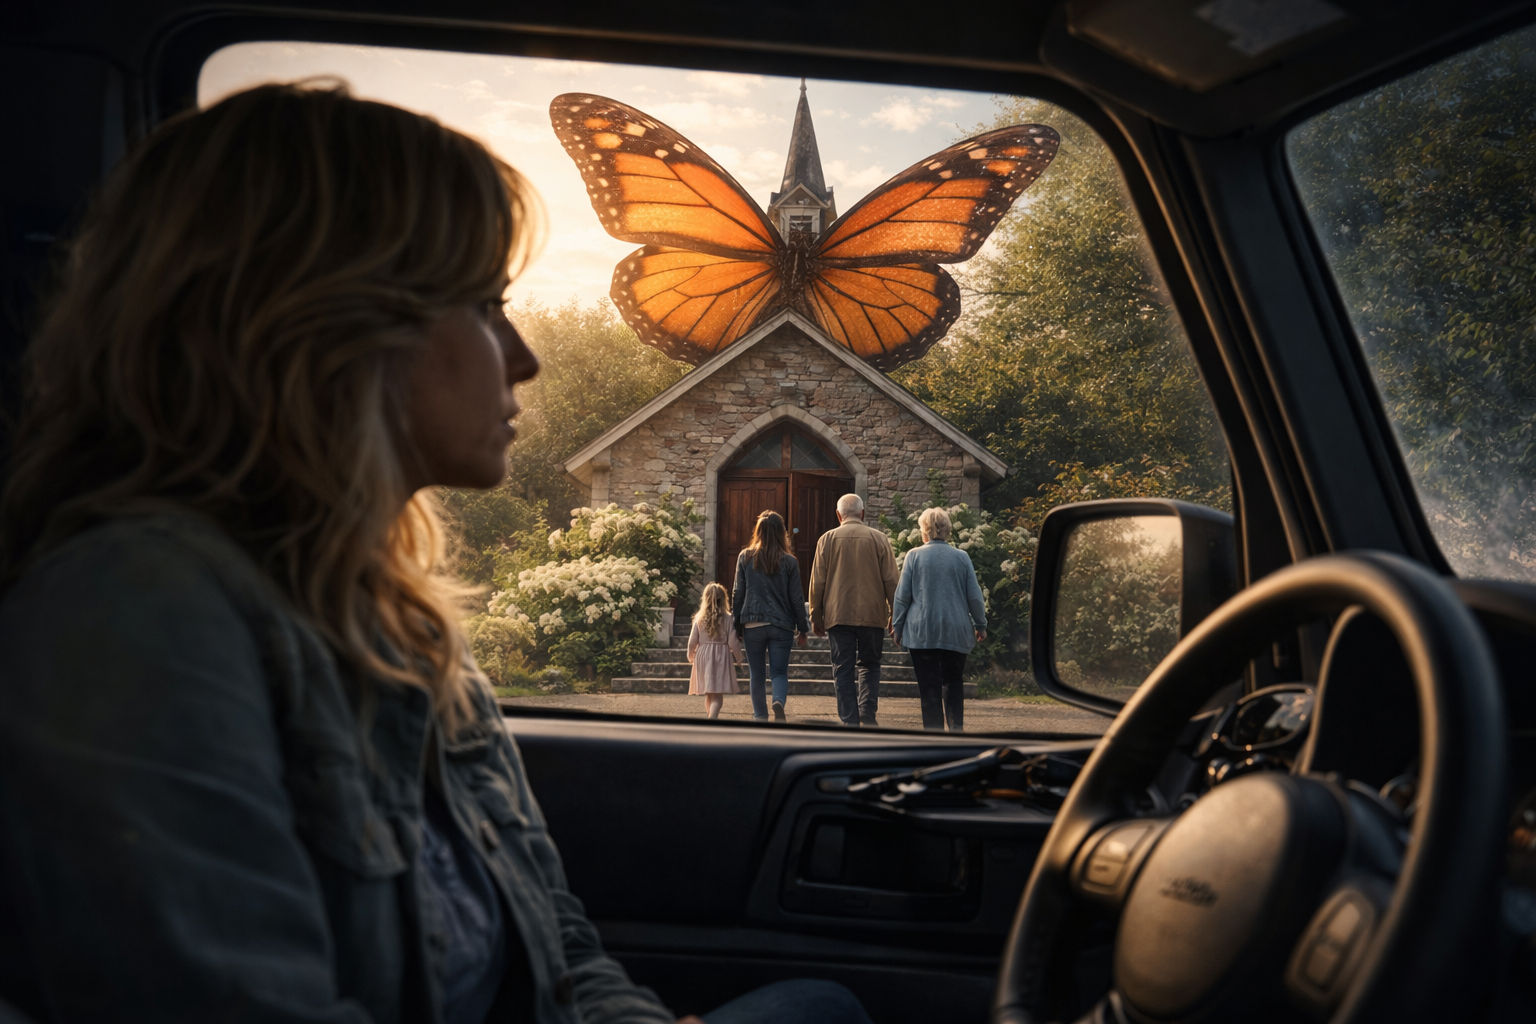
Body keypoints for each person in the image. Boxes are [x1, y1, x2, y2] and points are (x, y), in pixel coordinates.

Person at [0, 82, 872, 1024]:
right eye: (487, 305)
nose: (524, 356)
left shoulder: (394, 621)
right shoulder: (133, 617)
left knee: (822, 1003)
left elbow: (558, 942)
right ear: (330, 324)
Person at [890, 507, 988, 733]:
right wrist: (980, 624)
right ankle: (956, 730)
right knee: (953, 680)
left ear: (924, 531)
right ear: (948, 531)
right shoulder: (962, 557)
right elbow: (974, 595)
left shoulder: (914, 556)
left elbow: (902, 597)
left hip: (922, 631)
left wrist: (898, 627)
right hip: (956, 629)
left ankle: (933, 734)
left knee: (929, 686)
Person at [807, 494, 898, 728]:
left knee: (842, 669)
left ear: (839, 515)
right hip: (872, 615)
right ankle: (867, 713)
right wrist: (895, 614)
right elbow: (891, 581)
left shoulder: (826, 540)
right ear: (863, 514)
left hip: (838, 616)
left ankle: (849, 720)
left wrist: (816, 616)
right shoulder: (879, 539)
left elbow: (817, 582)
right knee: (870, 665)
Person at [730, 511, 810, 722]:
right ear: (781, 533)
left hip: (753, 624)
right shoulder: (790, 562)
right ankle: (778, 701)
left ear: (758, 531)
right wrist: (803, 628)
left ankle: (760, 717)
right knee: (779, 672)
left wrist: (737, 626)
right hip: (781, 625)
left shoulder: (745, 557)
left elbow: (738, 593)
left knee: (756, 674)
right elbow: (796, 598)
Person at [688, 582, 742, 719]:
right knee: (717, 692)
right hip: (720, 655)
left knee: (709, 692)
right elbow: (732, 641)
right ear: (724, 599)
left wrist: (690, 655)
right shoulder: (728, 618)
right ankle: (713, 719)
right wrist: (739, 657)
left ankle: (710, 718)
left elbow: (692, 641)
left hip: (703, 655)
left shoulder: (699, 618)